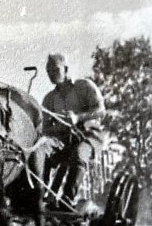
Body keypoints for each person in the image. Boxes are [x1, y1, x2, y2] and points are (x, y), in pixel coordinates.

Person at [42, 53, 106, 206]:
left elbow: (101, 110)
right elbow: (45, 129)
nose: (52, 74)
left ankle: (67, 200)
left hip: (89, 136)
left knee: (78, 154)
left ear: (66, 69)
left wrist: (77, 117)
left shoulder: (84, 86)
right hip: (64, 141)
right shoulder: (49, 99)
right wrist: (59, 127)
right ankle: (39, 195)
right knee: (41, 154)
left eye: (55, 70)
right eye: (48, 71)